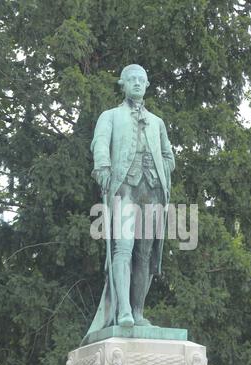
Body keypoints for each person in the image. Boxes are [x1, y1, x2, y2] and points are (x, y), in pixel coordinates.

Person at [86, 64, 175, 335]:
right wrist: (102, 167)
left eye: (141, 80)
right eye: (131, 79)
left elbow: (169, 157)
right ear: (122, 84)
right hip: (124, 188)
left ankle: (138, 312)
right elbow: (99, 143)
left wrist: (160, 170)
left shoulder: (157, 122)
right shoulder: (110, 116)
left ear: (147, 85)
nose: (137, 83)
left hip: (152, 192)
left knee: (145, 255)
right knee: (123, 248)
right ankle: (123, 309)